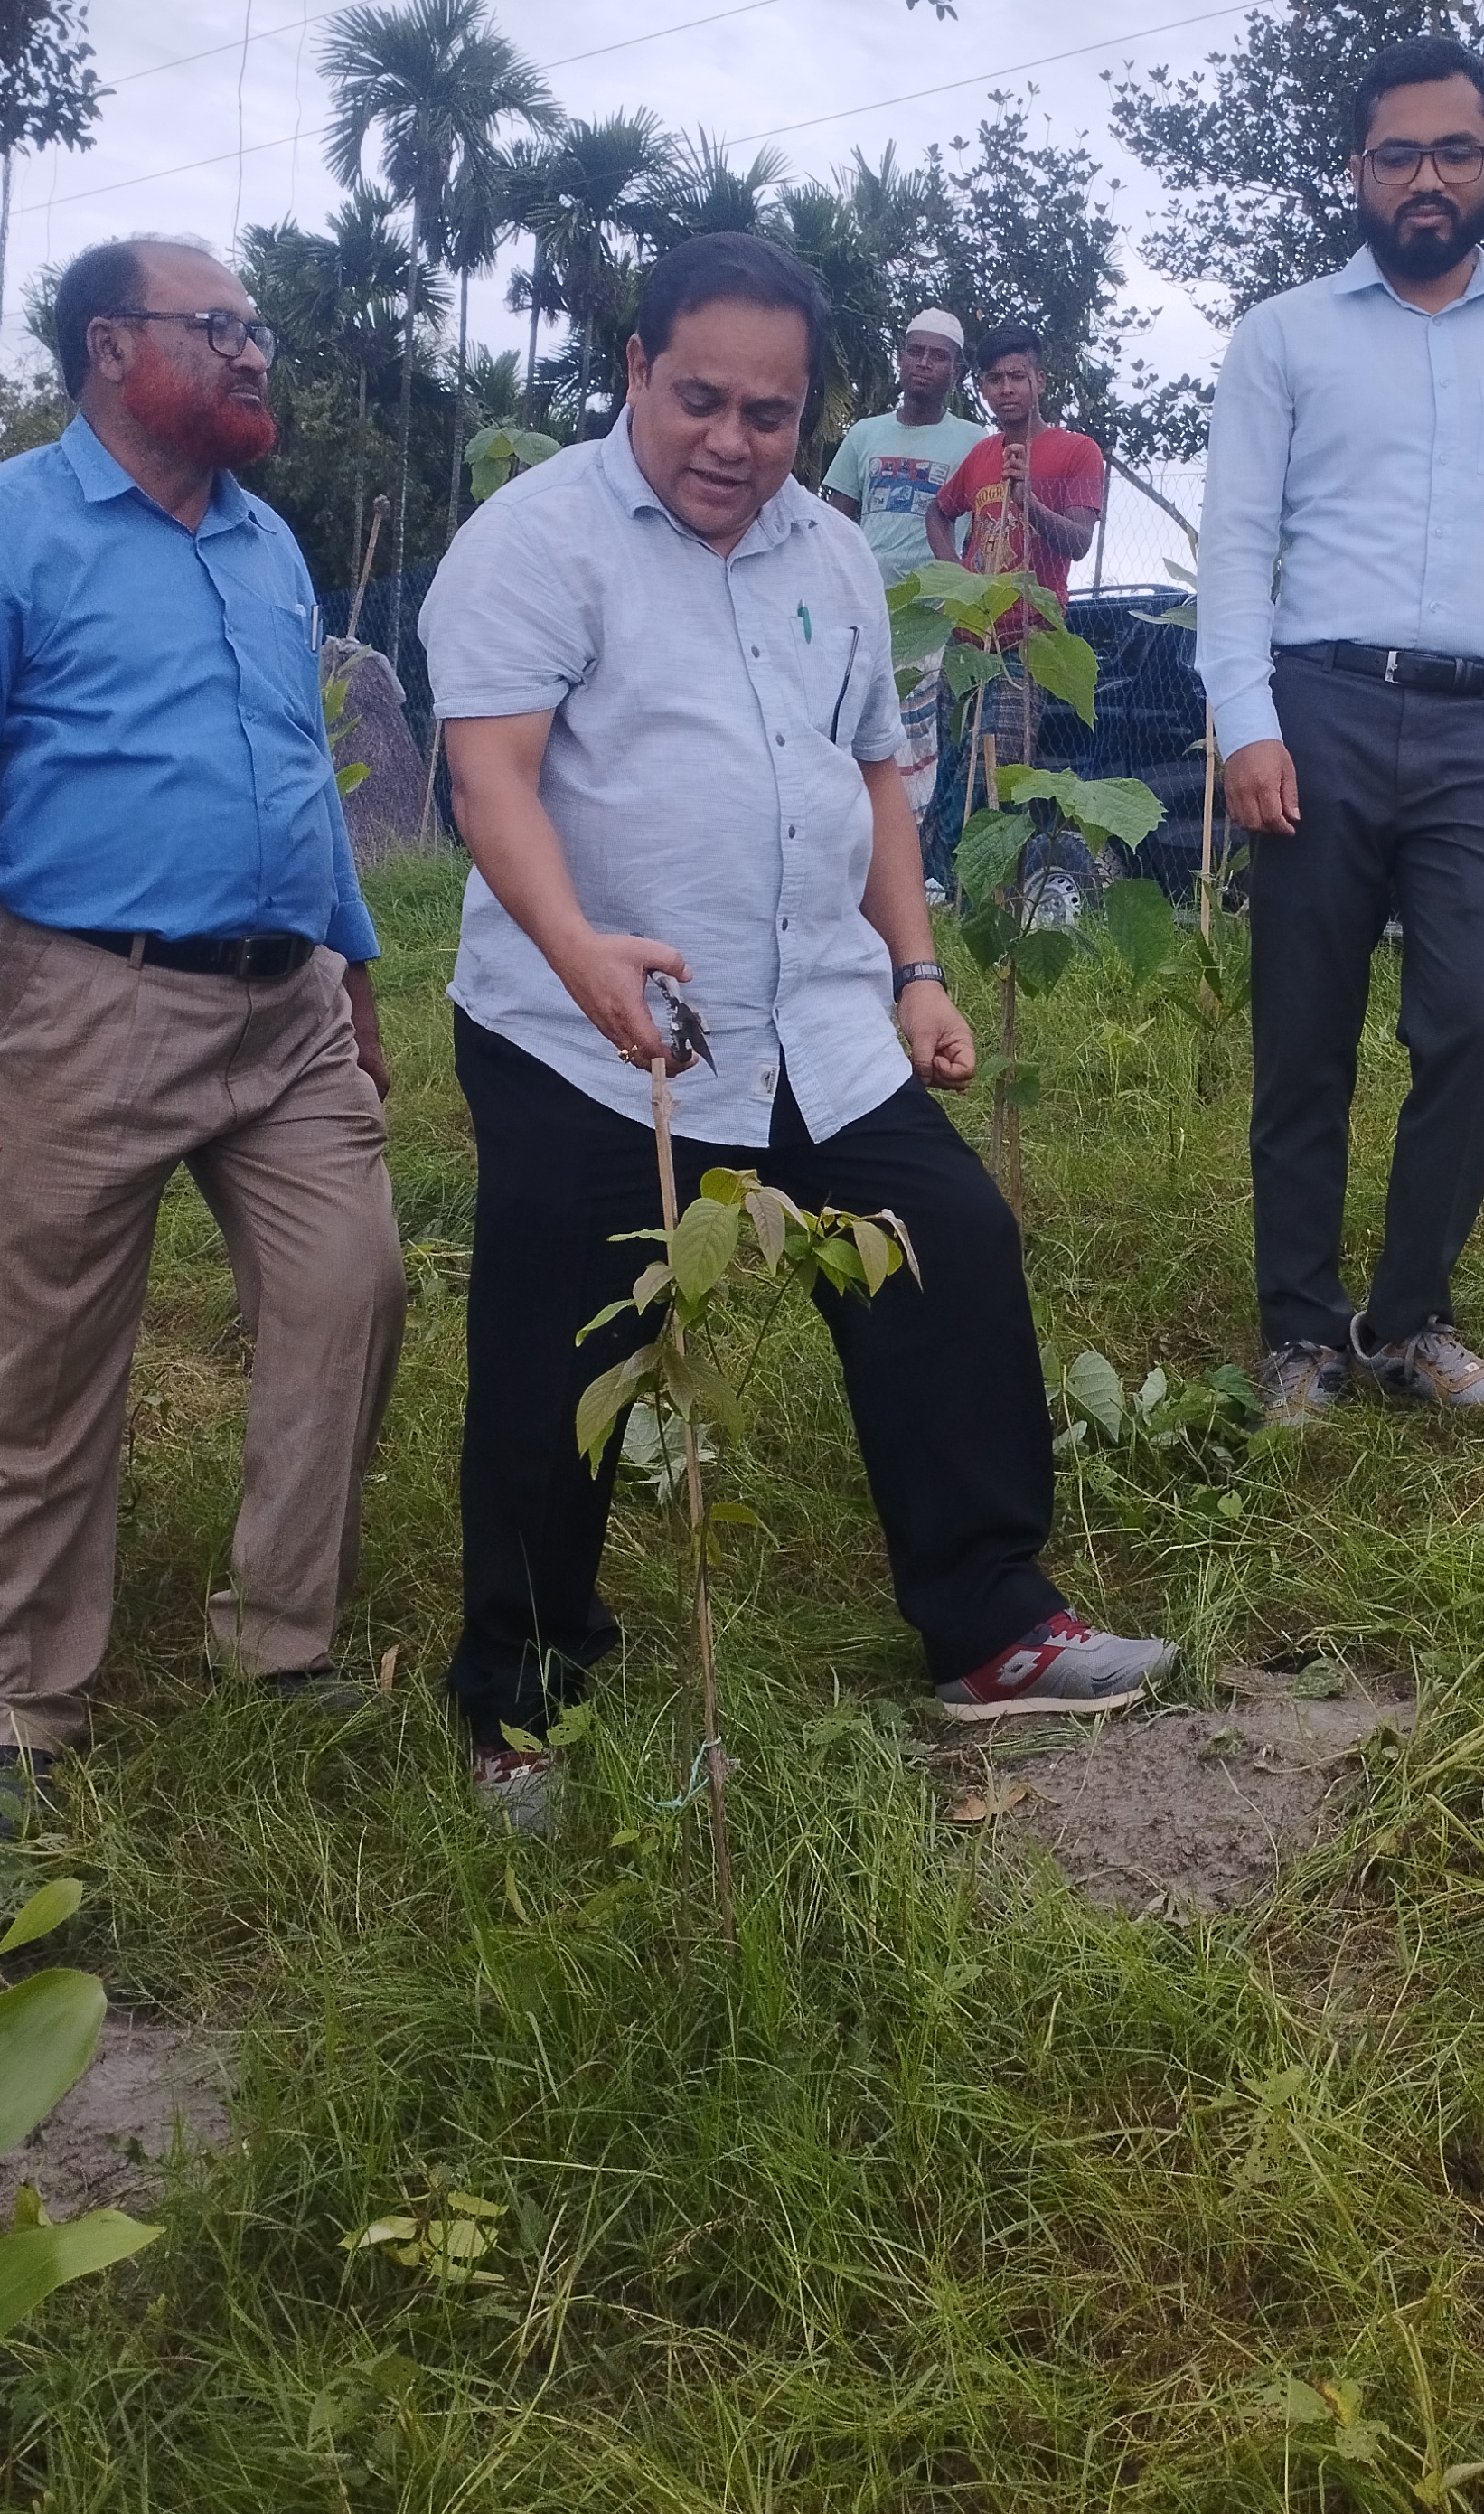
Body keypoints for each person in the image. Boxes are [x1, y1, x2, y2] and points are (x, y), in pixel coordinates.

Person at [423, 231, 1175, 1821]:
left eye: (770, 414)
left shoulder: (831, 551)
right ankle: (524, 1702)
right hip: (592, 1030)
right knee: (567, 1348)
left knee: (947, 1243)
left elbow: (884, 775)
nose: (732, 441)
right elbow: (491, 778)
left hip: (815, 1008)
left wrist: (915, 970)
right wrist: (577, 955)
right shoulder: (534, 540)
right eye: (701, 399)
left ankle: (990, 1626)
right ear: (635, 369)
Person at [0, 236, 406, 1837]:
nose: (253, 356)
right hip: (73, 998)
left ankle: (282, 1641)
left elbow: (301, 768)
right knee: (37, 1369)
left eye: (257, 331)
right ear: (111, 345)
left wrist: (354, 966)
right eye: (218, 329)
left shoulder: (267, 542)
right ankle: (15, 1719)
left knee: (349, 1288)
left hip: (286, 1001)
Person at [1195, 34, 1484, 1425]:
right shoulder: (1285, 335)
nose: (1425, 178)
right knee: (1303, 1035)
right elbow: (1237, 541)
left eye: (1454, 151)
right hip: (1312, 713)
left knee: (1480, 1025)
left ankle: (1411, 1317)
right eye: (1396, 154)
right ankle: (1303, 1337)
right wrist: (1247, 720)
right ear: (1357, 171)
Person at [928, 319, 1108, 777]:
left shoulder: (1077, 450)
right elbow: (938, 513)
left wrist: (1028, 501)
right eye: (994, 379)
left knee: (997, 780)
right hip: (967, 639)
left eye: (1017, 376)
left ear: (1039, 381)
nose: (1006, 389)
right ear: (983, 388)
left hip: (1025, 645)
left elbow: (1081, 542)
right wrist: (957, 580)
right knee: (949, 775)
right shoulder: (983, 454)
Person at [818, 307, 978, 814]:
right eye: (916, 351)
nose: (925, 363)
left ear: (956, 370)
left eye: (939, 356)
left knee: (922, 740)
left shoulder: (976, 442)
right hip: (866, 613)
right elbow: (837, 521)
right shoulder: (865, 434)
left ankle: (918, 862)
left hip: (935, 620)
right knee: (861, 729)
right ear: (901, 358)